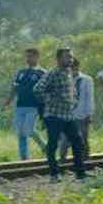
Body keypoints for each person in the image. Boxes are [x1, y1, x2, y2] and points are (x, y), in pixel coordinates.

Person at [34, 47, 86, 181]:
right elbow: (38, 89)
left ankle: (80, 174)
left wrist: (74, 101)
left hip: (68, 115)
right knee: (52, 144)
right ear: (58, 59)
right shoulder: (53, 73)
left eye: (71, 57)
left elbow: (72, 91)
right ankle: (54, 174)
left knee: (78, 142)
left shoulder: (69, 72)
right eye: (67, 57)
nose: (70, 59)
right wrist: (50, 99)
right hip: (54, 115)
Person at [5, 47, 46, 160]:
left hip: (33, 106)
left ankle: (45, 147)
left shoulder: (41, 72)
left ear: (37, 57)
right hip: (20, 105)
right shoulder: (21, 72)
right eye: (26, 56)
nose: (28, 59)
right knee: (20, 132)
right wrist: (9, 100)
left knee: (29, 129)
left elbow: (46, 90)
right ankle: (24, 157)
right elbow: (15, 87)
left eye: (30, 56)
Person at [58, 57, 94, 165]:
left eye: (74, 67)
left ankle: (85, 160)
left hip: (82, 113)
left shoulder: (86, 79)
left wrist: (89, 113)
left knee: (83, 137)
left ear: (78, 66)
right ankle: (62, 160)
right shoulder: (63, 79)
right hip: (67, 114)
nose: (72, 69)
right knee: (64, 139)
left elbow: (89, 98)